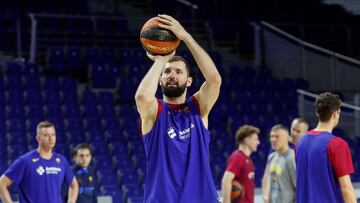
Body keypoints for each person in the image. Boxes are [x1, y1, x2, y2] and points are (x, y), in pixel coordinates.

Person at [135, 14, 222, 203]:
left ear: (189, 81)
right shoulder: (154, 111)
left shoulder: (199, 108)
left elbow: (215, 80)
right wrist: (160, 60)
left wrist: (185, 37)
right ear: (160, 78)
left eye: (178, 72)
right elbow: (141, 97)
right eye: (167, 72)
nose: (172, 75)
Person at [296, 92, 356, 203]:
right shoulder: (337, 144)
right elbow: (346, 188)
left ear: (317, 113)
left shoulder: (301, 142)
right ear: (335, 114)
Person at [0, 121, 78, 203]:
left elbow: (74, 184)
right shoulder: (25, 161)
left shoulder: (61, 161)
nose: (51, 138)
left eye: (53, 134)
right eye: (46, 135)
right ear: (38, 138)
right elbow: (1, 184)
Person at [221, 125, 260, 203]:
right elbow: (226, 180)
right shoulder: (238, 157)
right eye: (255, 139)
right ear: (247, 140)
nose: (258, 142)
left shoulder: (247, 159)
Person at [261, 124, 296, 203]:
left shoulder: (292, 158)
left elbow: (299, 187)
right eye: (271, 136)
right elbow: (268, 180)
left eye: (277, 136)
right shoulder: (271, 157)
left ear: (287, 138)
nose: (273, 139)